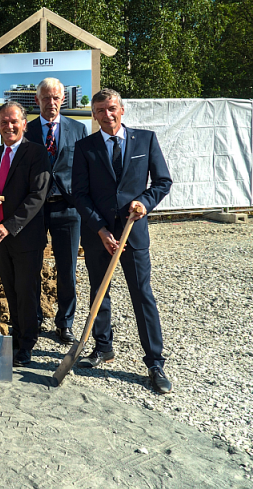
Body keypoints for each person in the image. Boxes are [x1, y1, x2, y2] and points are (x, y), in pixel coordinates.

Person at [71, 88, 173, 394]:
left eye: (111, 108)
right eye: (100, 110)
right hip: (98, 234)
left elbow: (163, 181)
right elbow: (79, 193)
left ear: (122, 109)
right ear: (94, 115)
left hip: (133, 232)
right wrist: (101, 230)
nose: (107, 115)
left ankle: (155, 362)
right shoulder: (85, 147)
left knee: (142, 295)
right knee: (99, 291)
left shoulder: (145, 140)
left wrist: (144, 202)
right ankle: (103, 348)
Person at [0, 101, 51, 366]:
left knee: (26, 290)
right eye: (4, 122)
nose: (9, 126)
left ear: (24, 124)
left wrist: (9, 226)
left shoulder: (36, 153)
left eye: (14, 121)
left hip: (24, 236)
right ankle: (16, 339)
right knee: (9, 289)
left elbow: (37, 196)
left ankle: (27, 344)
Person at [26, 78, 88, 344]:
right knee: (32, 267)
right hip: (34, 210)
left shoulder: (79, 129)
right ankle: (35, 318)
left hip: (68, 209)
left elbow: (86, 169)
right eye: (46, 98)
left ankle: (65, 323)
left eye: (56, 98)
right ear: (37, 100)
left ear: (63, 100)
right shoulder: (25, 131)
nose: (51, 103)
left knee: (67, 268)